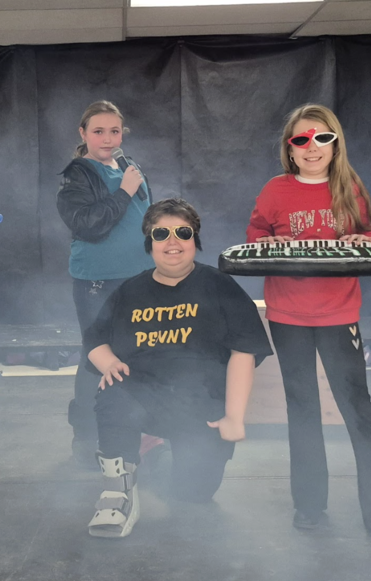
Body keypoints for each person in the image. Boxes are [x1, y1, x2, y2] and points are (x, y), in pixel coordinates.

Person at [246, 104, 371, 548]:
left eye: (321, 137)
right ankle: (309, 504)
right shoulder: (275, 189)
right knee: (301, 410)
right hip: (287, 316)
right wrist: (269, 242)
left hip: (340, 314)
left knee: (359, 412)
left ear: (335, 141)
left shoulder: (350, 187)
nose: (311, 147)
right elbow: (254, 239)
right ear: (290, 147)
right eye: (301, 139)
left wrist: (365, 240)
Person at [82, 199, 272, 537]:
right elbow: (94, 339)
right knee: (112, 392)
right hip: (143, 395)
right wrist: (108, 363)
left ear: (194, 240)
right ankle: (117, 491)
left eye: (182, 232)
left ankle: (156, 455)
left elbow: (245, 351)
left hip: (201, 408)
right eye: (161, 233)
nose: (172, 241)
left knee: (192, 494)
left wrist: (234, 417)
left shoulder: (219, 286)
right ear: (149, 243)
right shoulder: (130, 290)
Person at [57, 100, 155, 468]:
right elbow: (89, 224)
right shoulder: (77, 174)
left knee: (139, 354)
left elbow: (146, 219)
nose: (108, 138)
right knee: (97, 358)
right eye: (98, 131)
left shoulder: (131, 167)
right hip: (98, 281)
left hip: (141, 277)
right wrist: (126, 191)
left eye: (115, 130)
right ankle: (86, 438)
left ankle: (139, 433)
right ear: (83, 134)